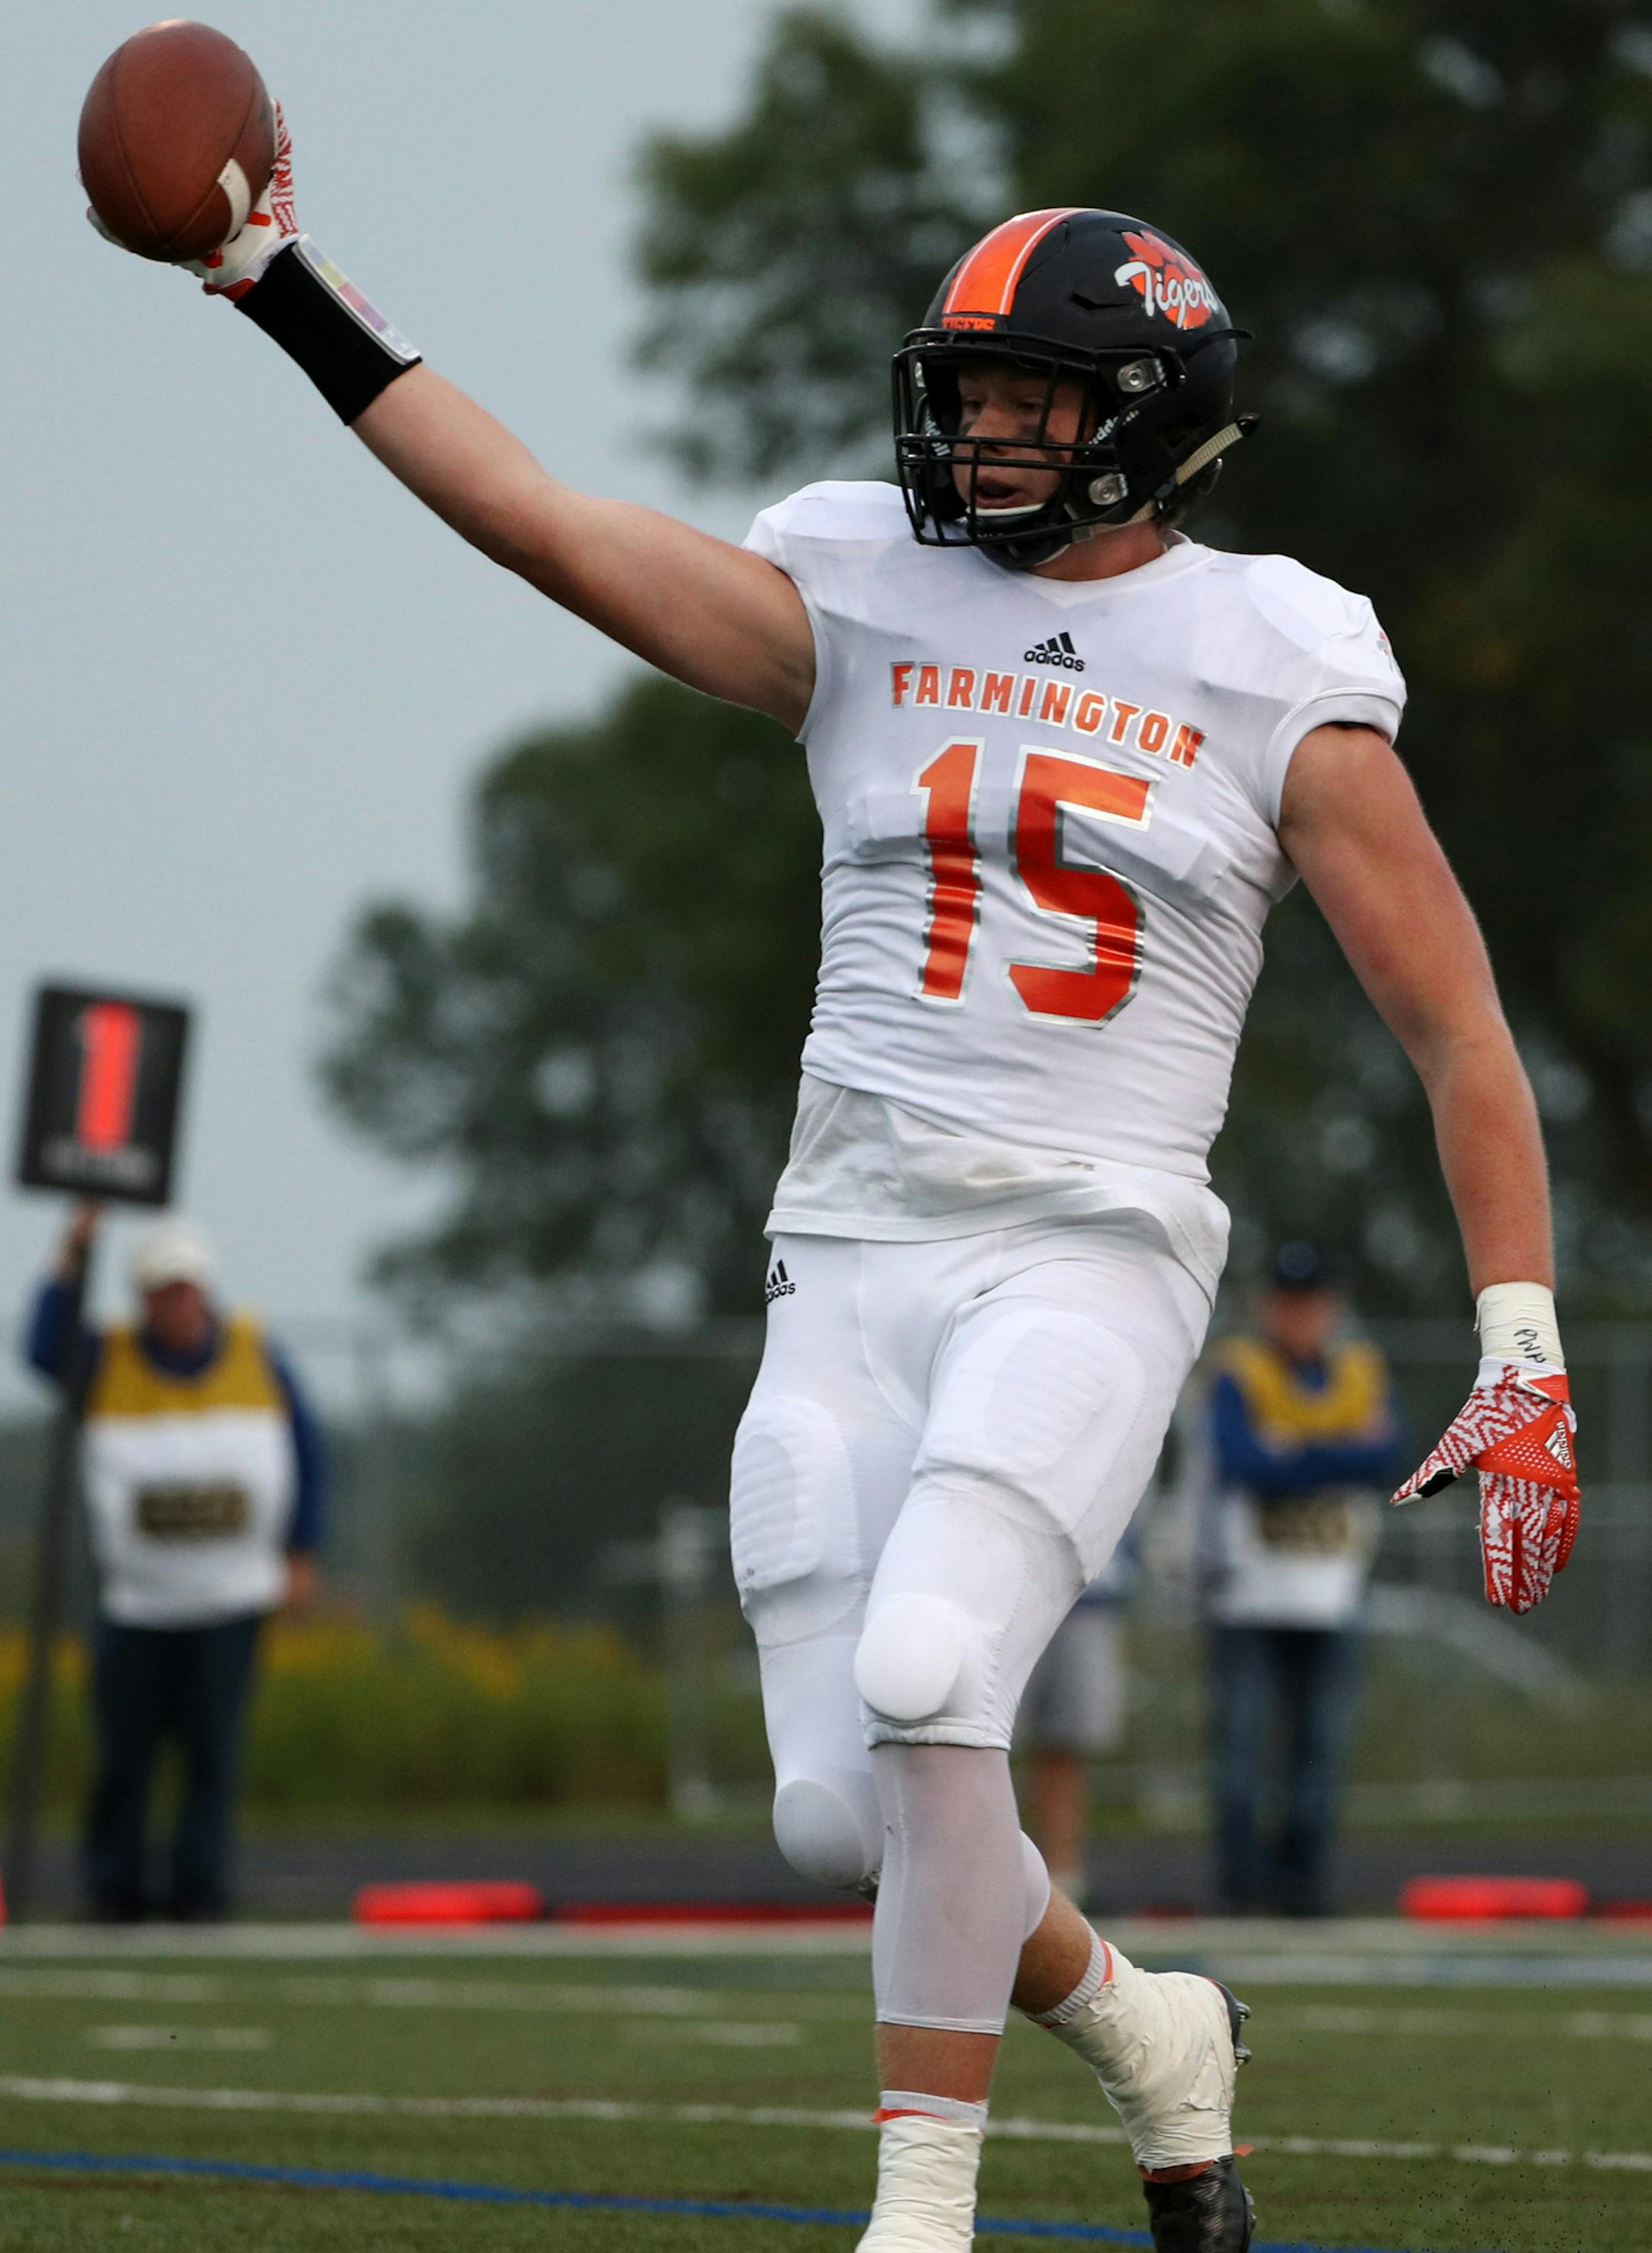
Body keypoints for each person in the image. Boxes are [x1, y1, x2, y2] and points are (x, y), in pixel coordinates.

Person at [95, 132, 1585, 2251]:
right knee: (835, 1811)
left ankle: (923, 2212)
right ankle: (1155, 2036)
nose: (977, 430)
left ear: (1140, 420)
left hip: (1090, 1245)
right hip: (849, 1247)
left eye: (1025, 398)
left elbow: (1458, 1035)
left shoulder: (1274, 657)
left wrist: (1519, 1343)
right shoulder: (859, 596)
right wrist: (275, 275)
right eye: (964, 391)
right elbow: (537, 518)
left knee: (924, 1683)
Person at [24, 1204, 327, 1922]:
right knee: (124, 1753)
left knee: (212, 1754)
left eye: (186, 1287)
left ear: (206, 1289)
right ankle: (114, 1888)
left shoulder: (259, 1353)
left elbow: (310, 1456)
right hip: (140, 1600)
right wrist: (71, 1253)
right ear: (142, 1297)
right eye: (161, 1290)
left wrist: (302, 1550)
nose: (176, 1302)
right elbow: (41, 1349)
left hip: (232, 1595)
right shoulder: (110, 1357)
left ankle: (200, 1892)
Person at [1201, 1244, 1404, 1917]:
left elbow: (1389, 1459)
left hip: (1333, 1593)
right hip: (1248, 1595)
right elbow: (1243, 1463)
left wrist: (1294, 1448)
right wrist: (1337, 1450)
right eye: (1290, 1302)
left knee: (1320, 1744)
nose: (1301, 1315)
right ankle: (1242, 1880)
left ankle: (1302, 1880)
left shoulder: (1360, 1371)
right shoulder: (1240, 1372)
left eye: (1313, 1302)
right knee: (1243, 1741)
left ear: (1333, 1308)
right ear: (1268, 1307)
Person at [1017, 1537, 1138, 1910]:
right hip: (1000, 1593)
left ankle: (1063, 1879)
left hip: (1086, 1594)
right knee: (975, 1747)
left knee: (1067, 1744)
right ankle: (985, 1871)